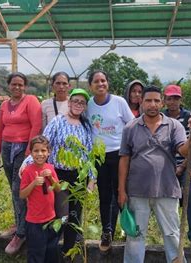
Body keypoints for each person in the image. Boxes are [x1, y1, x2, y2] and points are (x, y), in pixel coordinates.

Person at [118, 86, 191, 263]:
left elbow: (184, 151)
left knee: (172, 235)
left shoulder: (173, 125)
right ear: (141, 102)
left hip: (167, 189)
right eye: (148, 100)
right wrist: (121, 190)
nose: (153, 104)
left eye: (156, 101)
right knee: (135, 237)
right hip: (137, 190)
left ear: (162, 102)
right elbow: (124, 159)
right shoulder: (131, 127)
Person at [0, 72, 42, 254]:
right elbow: (0, 130)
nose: (17, 87)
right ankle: (20, 221)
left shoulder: (31, 101)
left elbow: (36, 126)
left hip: (23, 148)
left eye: (20, 85)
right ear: (8, 86)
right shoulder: (5, 105)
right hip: (7, 147)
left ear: (25, 87)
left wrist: (29, 153)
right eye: (14, 84)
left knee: (18, 189)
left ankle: (21, 234)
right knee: (13, 189)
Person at [86, 70, 134, 253]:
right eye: (96, 81)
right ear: (90, 85)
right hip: (100, 157)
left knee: (122, 192)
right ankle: (107, 232)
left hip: (120, 155)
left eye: (103, 80)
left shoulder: (119, 102)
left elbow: (132, 126)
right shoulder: (88, 105)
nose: (100, 84)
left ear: (108, 83)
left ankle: (129, 229)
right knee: (105, 196)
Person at [43, 88, 95, 256]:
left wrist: (91, 181)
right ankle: (50, 253)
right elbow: (44, 144)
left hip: (79, 176)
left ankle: (67, 254)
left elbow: (89, 154)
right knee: (60, 216)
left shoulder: (86, 126)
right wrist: (29, 164)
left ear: (85, 106)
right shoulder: (58, 121)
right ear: (69, 102)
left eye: (82, 102)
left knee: (74, 217)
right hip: (59, 175)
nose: (78, 105)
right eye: (76, 101)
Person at [162, 84, 191, 253]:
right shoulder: (161, 117)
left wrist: (183, 167)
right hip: (165, 167)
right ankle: (170, 236)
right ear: (164, 100)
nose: (173, 102)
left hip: (184, 165)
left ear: (181, 100)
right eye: (169, 98)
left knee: (190, 198)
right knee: (166, 202)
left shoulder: (190, 118)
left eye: (176, 98)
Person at [20, 135, 61, 263]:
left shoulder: (50, 168)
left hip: (51, 219)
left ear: (48, 152)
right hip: (34, 222)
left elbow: (58, 189)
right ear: (31, 153)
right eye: (36, 151)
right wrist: (33, 183)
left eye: (43, 151)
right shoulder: (28, 171)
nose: (40, 154)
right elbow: (22, 195)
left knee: (51, 252)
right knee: (36, 254)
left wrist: (51, 178)